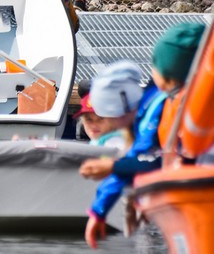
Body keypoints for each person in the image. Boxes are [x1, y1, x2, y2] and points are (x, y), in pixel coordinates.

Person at [80, 22, 205, 249]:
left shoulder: (156, 109)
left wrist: (111, 169)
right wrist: (99, 210)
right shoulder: (155, 104)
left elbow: (145, 160)